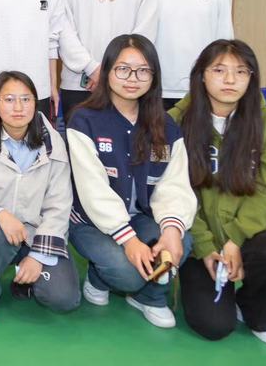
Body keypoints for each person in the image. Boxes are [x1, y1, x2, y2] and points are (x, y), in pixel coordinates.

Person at [170, 40, 266, 347]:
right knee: (213, 326)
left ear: (251, 77)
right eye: (219, 70)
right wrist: (204, 245)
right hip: (200, 233)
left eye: (241, 71)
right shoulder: (178, 123)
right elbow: (176, 191)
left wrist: (235, 239)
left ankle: (256, 308)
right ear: (202, 75)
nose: (230, 79)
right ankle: (211, 293)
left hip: (253, 229)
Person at [66, 34, 196, 329]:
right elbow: (93, 191)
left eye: (142, 70)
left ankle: (150, 296)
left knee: (181, 240)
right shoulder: (84, 120)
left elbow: (174, 185)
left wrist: (171, 230)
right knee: (126, 271)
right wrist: (129, 241)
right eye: (123, 69)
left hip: (143, 217)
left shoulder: (166, 126)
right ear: (107, 71)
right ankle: (100, 276)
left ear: (154, 76)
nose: (133, 78)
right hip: (91, 222)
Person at [0, 71, 80, 324]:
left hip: (37, 232)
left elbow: (59, 205)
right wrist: (0, 214)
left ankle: (24, 272)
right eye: (9, 99)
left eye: (26, 99)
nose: (18, 107)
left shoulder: (53, 143)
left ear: (35, 103)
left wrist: (37, 257)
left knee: (64, 298)